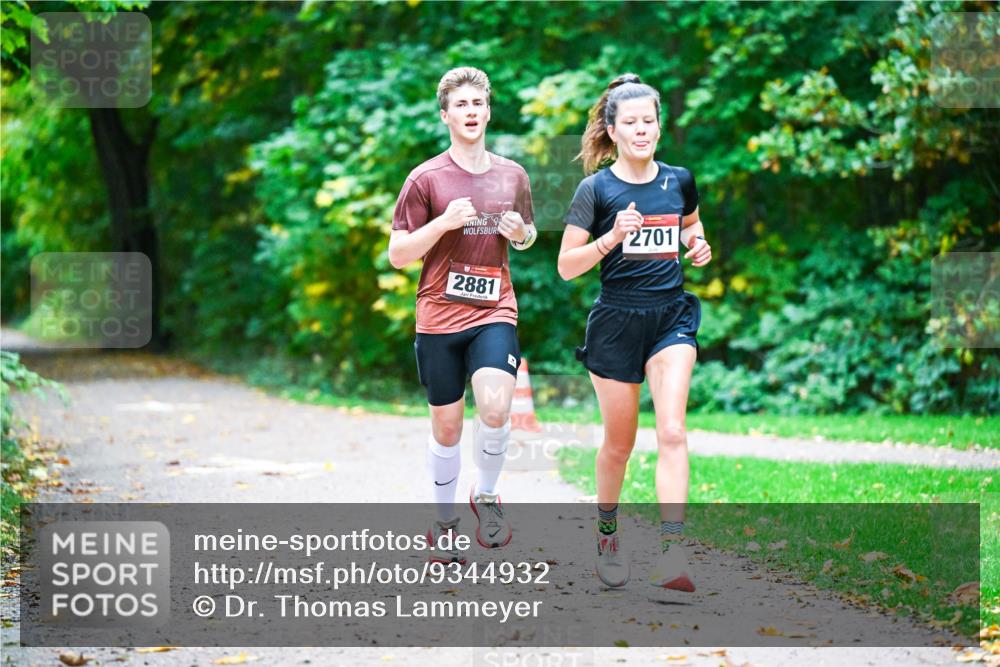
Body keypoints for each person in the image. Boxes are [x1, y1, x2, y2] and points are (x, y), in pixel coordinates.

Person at [557, 73, 712, 590]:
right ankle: (607, 532)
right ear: (613, 129)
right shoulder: (595, 189)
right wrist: (611, 239)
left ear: (659, 127)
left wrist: (698, 245)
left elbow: (690, 225)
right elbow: (566, 266)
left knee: (672, 430)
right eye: (631, 122)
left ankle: (672, 553)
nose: (642, 130)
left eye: (650, 121)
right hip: (617, 322)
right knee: (619, 446)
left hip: (671, 316)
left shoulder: (679, 179)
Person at [388, 67, 538, 564]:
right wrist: (443, 223)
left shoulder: (512, 174)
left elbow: (528, 234)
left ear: (488, 111)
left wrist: (521, 233)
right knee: (448, 428)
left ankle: (488, 496)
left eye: (479, 103)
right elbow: (398, 254)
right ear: (445, 115)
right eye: (462, 105)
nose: (471, 112)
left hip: (495, 309)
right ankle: (444, 522)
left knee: (495, 407)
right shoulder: (425, 178)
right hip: (438, 315)